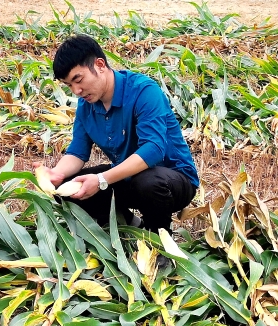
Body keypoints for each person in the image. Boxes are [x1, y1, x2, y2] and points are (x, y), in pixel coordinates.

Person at [38, 34, 199, 233]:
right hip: (127, 178)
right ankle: (129, 225)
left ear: (100, 65)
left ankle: (159, 240)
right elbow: (78, 152)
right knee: (67, 188)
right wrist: (56, 173)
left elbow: (154, 149)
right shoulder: (86, 105)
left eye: (78, 80)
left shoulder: (143, 91)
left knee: (148, 182)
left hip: (171, 179)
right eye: (69, 85)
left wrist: (101, 179)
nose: (77, 91)